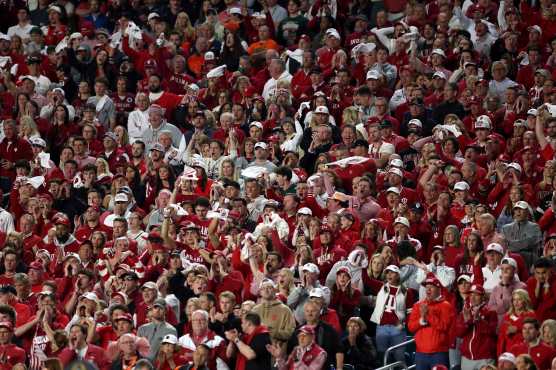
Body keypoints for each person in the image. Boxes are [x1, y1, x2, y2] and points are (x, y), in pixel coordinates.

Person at [408, 275, 455, 370]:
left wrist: (428, 315)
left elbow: (444, 326)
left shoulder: (446, 306)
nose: (428, 290)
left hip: (439, 353)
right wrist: (421, 321)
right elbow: (411, 327)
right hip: (420, 353)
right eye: (427, 287)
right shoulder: (418, 305)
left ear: (438, 289)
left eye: (431, 287)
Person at [455, 284, 498, 370]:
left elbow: (492, 332)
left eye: (476, 295)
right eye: (471, 295)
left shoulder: (491, 312)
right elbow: (459, 333)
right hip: (467, 358)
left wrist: (479, 321)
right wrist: (467, 322)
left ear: (483, 297)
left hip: (485, 358)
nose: (472, 297)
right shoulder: (465, 311)